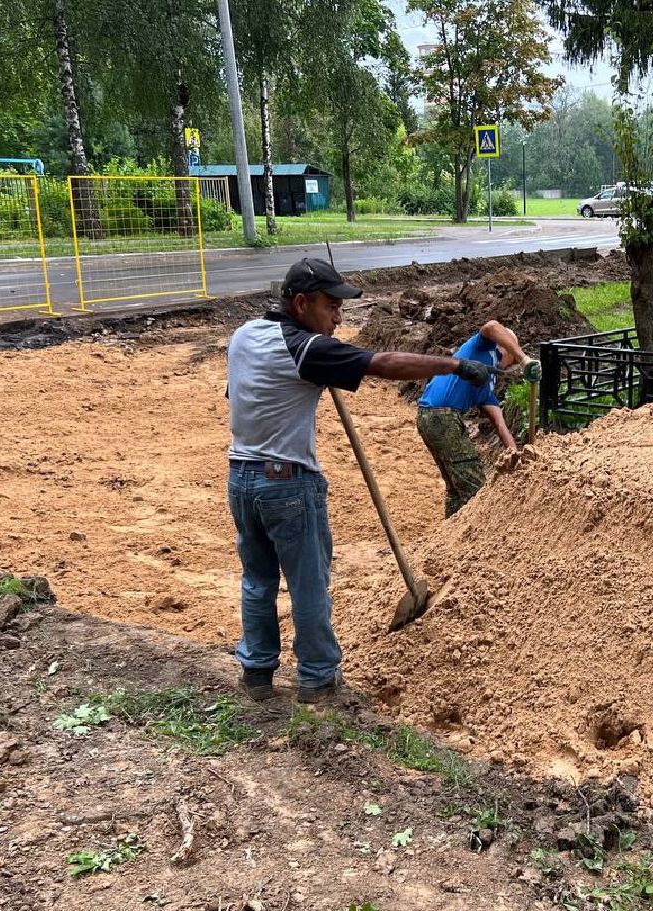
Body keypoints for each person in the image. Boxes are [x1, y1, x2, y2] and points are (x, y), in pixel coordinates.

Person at [226, 257, 493, 704]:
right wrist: (455, 366)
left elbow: (239, 392)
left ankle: (256, 673)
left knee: (257, 580)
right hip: (288, 485)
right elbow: (384, 363)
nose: (338, 316)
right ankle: (317, 680)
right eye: (331, 305)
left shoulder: (244, 336)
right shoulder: (307, 349)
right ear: (300, 303)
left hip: (241, 478)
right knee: (309, 583)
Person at [416, 321, 528, 517]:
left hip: (431, 417)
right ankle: (471, 541)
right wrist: (523, 357)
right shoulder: (483, 347)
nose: (513, 365)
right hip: (442, 417)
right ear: (507, 347)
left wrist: (515, 455)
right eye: (513, 359)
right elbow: (492, 326)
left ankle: (447, 537)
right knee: (475, 488)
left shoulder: (487, 382)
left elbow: (500, 424)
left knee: (456, 488)